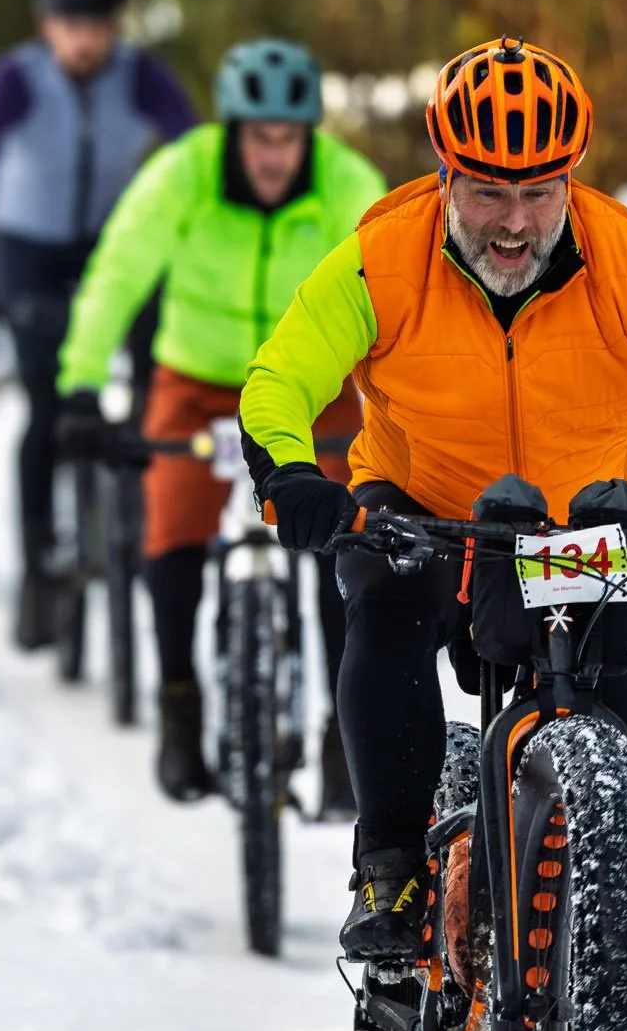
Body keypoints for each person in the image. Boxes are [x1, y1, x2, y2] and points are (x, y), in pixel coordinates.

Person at [238, 35, 627, 962]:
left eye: (539, 192)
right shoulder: (383, 257)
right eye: (487, 192)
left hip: (568, 526)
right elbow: (279, 380)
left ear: (571, 180)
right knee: (387, 616)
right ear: (445, 176)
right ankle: (390, 864)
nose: (514, 224)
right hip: (419, 510)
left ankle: (605, 858)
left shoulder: (626, 263)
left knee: (623, 655)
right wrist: (291, 475)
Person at [56, 40, 386, 802]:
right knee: (171, 533)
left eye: (288, 138)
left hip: (311, 384)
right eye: (258, 137)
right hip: (197, 381)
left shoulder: (346, 183)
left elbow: (393, 282)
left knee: (349, 543)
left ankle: (345, 734)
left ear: (308, 136)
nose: (273, 155)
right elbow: (118, 271)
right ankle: (179, 703)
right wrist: (80, 384)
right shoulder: (183, 172)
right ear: (232, 132)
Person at [0, 0, 194, 646]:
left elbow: (196, 156)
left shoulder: (140, 76)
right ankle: (36, 573)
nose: (83, 39)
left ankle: (137, 507)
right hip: (26, 252)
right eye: (69, 24)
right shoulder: (12, 81)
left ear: (115, 27)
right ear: (44, 25)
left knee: (153, 374)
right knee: (47, 406)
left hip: (111, 248)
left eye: (97, 25)